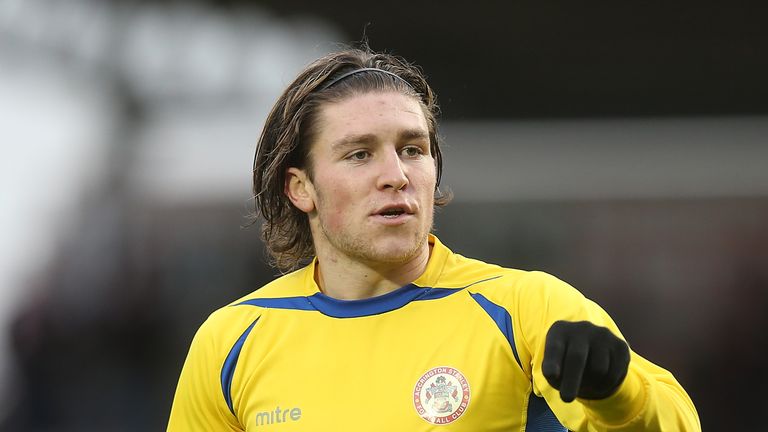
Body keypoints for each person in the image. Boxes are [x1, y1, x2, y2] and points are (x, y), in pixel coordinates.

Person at [167, 46, 700, 431]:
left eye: (412, 149)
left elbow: (675, 422)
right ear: (301, 187)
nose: (395, 174)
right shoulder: (232, 341)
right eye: (359, 154)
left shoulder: (525, 307)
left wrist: (617, 393)